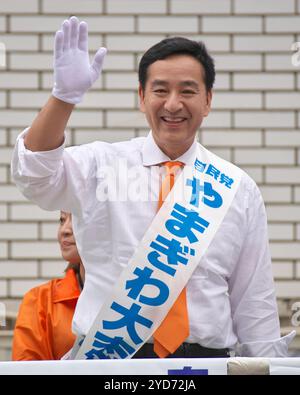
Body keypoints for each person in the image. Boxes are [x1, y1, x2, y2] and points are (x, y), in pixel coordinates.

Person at [11, 16, 294, 359]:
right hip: (112, 360)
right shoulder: (101, 165)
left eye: (188, 91)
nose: (173, 104)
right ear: (142, 97)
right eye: (160, 90)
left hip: (205, 362)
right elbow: (34, 174)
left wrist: (266, 362)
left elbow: (254, 300)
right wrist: (63, 98)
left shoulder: (237, 187)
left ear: (208, 101)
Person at [12, 212, 84, 360]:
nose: (65, 230)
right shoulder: (40, 301)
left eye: (78, 218)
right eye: (62, 220)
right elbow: (27, 371)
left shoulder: (141, 296)